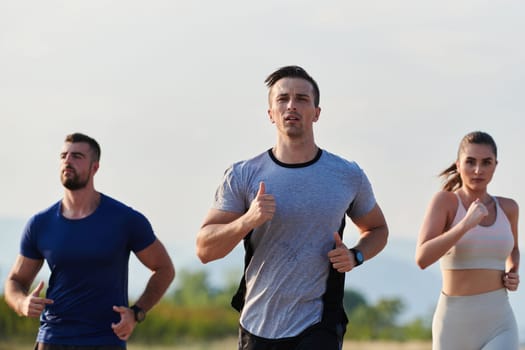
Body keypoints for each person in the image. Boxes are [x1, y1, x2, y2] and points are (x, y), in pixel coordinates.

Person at [196, 65, 388, 350]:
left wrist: (356, 255)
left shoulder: (347, 174)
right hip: (258, 323)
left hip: (319, 321)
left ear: (317, 112)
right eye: (282, 99)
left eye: (301, 99)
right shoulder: (243, 174)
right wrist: (248, 220)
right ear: (271, 114)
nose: (291, 106)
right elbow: (205, 249)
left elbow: (377, 228)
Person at [4, 133, 175, 349]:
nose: (67, 161)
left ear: (95, 167)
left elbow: (164, 268)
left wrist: (136, 313)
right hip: (53, 339)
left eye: (76, 156)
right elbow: (15, 281)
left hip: (105, 340)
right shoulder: (40, 223)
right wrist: (22, 303)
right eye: (63, 155)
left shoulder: (125, 220)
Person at [415, 131, 520, 349]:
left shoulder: (508, 208)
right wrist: (464, 225)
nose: (478, 170)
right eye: (470, 162)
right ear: (458, 164)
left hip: (500, 322)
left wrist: (513, 270)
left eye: (486, 162)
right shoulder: (445, 202)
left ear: (495, 165)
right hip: (453, 325)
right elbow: (422, 258)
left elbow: (514, 249)